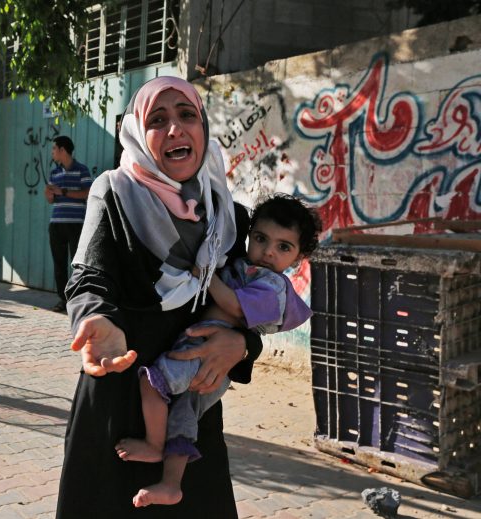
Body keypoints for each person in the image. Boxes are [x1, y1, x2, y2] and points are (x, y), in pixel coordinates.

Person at [57, 76, 263, 518]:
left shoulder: (230, 217)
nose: (175, 129)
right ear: (137, 132)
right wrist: (96, 321)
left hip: (189, 403)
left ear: (203, 127)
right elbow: (88, 277)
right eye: (158, 119)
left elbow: (257, 304)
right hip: (121, 398)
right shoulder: (114, 192)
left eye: (186, 115)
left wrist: (243, 346)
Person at [115, 193, 322, 507]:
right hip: (203, 356)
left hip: (205, 354)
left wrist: (207, 276)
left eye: (283, 247)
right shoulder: (244, 264)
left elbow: (234, 306)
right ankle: (171, 484)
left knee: (151, 382)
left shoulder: (274, 286)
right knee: (183, 419)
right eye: (261, 238)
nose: (268, 252)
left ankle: (152, 444)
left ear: (297, 259)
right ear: (249, 235)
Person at [44, 136, 92, 313]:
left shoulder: (82, 170)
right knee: (59, 264)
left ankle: (78, 300)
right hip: (56, 224)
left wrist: (63, 191)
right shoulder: (54, 173)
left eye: (54, 149)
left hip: (76, 224)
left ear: (63, 150)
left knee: (77, 264)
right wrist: (48, 193)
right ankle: (63, 300)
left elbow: (87, 193)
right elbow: (51, 200)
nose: (52, 153)